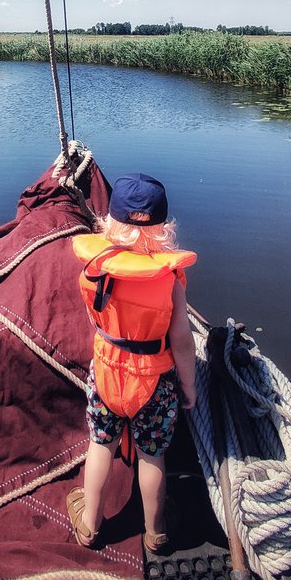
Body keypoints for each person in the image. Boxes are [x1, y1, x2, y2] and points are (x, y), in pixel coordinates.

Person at [66, 173, 197, 553]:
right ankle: (155, 531)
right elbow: (183, 344)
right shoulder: (168, 278)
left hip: (106, 372)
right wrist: (188, 386)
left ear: (110, 222)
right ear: (163, 228)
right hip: (154, 383)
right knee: (152, 455)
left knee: (100, 445)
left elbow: (97, 322)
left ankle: (90, 525)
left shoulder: (94, 269)